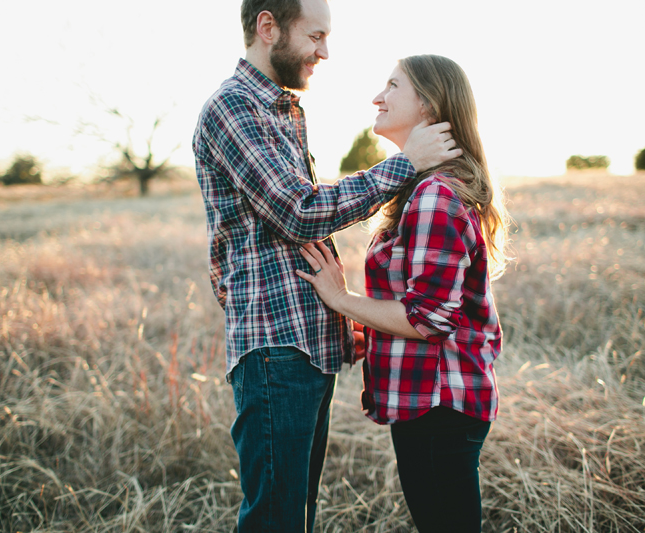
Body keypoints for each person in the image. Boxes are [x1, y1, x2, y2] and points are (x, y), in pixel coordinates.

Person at [192, 0, 461, 530]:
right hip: (276, 348)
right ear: (268, 27)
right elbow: (298, 212)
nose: (325, 51)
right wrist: (406, 164)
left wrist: (339, 321)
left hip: (302, 344)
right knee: (277, 519)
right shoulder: (236, 108)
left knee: (297, 514)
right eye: (315, 35)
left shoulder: (281, 109)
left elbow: (279, 238)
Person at [296, 54, 511, 533]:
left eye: (393, 86)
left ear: (430, 109)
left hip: (439, 402)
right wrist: (364, 333)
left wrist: (342, 298)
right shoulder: (421, 190)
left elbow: (429, 319)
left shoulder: (435, 195)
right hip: (432, 401)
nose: (378, 97)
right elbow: (424, 304)